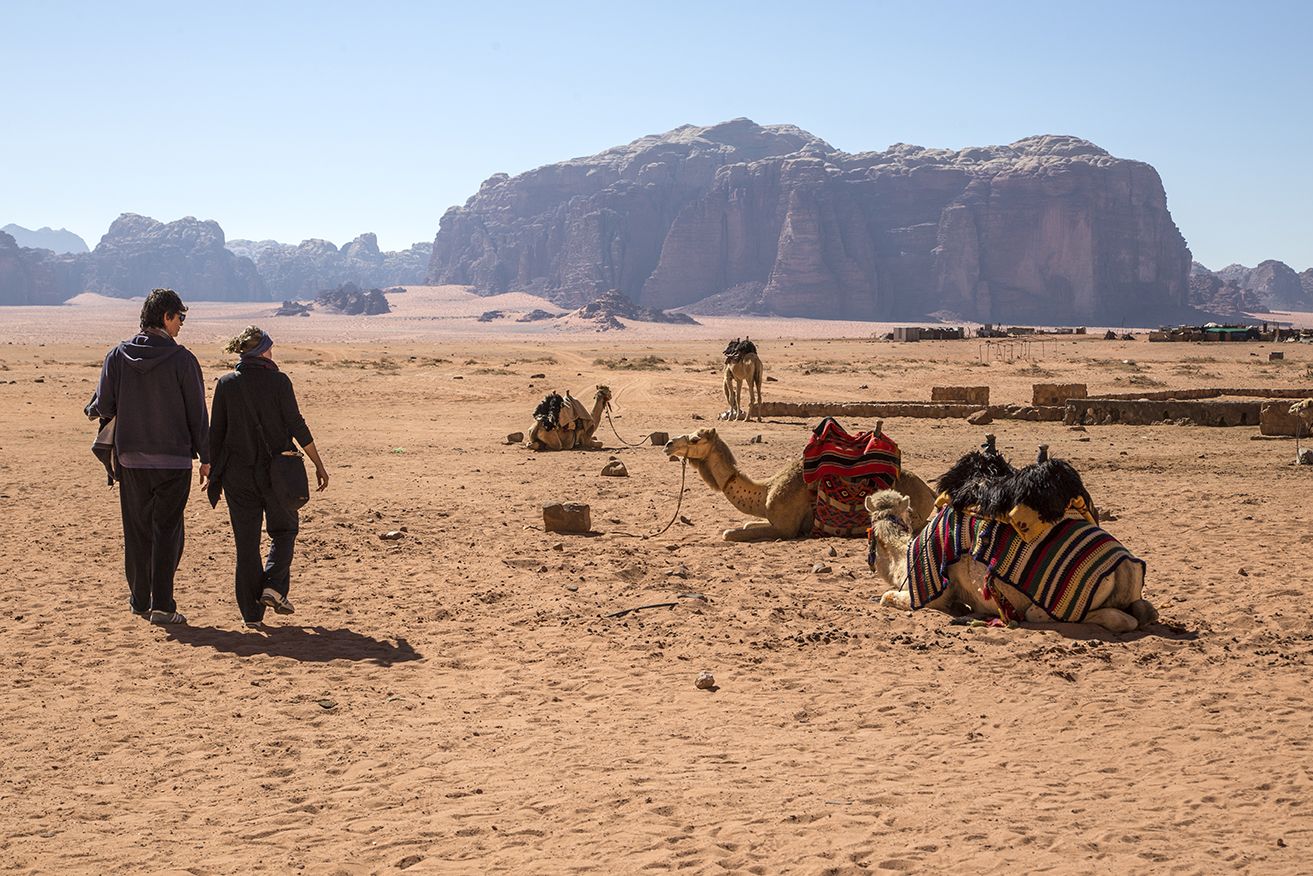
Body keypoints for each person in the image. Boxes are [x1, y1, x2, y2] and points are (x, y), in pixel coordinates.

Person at [88, 288, 210, 625]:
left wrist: (93, 406)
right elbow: (196, 413)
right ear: (166, 317)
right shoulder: (183, 360)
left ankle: (140, 601)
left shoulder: (116, 356)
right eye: (180, 317)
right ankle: (164, 606)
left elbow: (105, 405)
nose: (182, 325)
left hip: (130, 461)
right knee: (168, 532)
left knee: (137, 531)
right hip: (173, 462)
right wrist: (206, 456)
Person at [207, 326, 328, 627]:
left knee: (246, 545)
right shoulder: (279, 382)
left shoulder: (226, 384)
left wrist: (208, 468)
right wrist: (318, 464)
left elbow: (215, 434)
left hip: (238, 478)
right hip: (278, 475)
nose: (273, 353)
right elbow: (297, 426)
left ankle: (251, 616)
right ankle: (273, 585)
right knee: (285, 531)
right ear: (261, 350)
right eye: (270, 348)